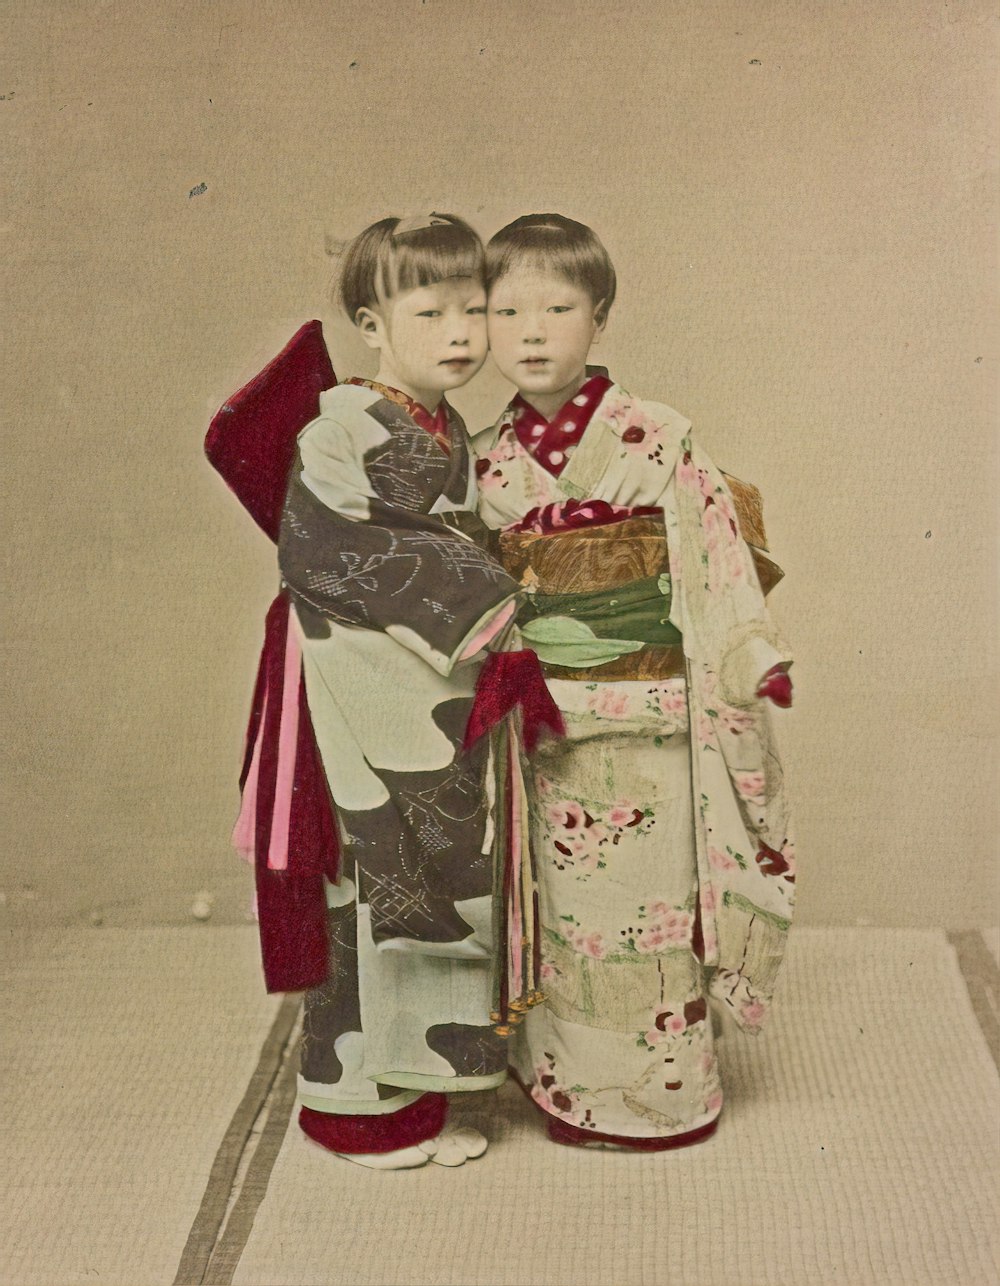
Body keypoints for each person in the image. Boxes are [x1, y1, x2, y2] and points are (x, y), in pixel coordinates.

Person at [471, 213, 796, 1150]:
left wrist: (752, 656)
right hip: (545, 724)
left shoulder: (659, 437)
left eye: (558, 307)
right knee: (566, 921)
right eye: (506, 310)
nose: (531, 331)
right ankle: (568, 1092)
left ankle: (666, 1097)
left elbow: (716, 562)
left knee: (650, 917)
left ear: (600, 317)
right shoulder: (484, 458)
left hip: (653, 718)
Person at [269, 213, 520, 1169]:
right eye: (431, 311)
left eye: (473, 309)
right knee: (375, 887)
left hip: (435, 694)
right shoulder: (341, 429)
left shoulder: (446, 426)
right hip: (365, 690)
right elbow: (333, 548)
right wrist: (490, 613)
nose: (461, 332)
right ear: (372, 323)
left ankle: (431, 1095)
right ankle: (356, 1112)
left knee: (448, 883)